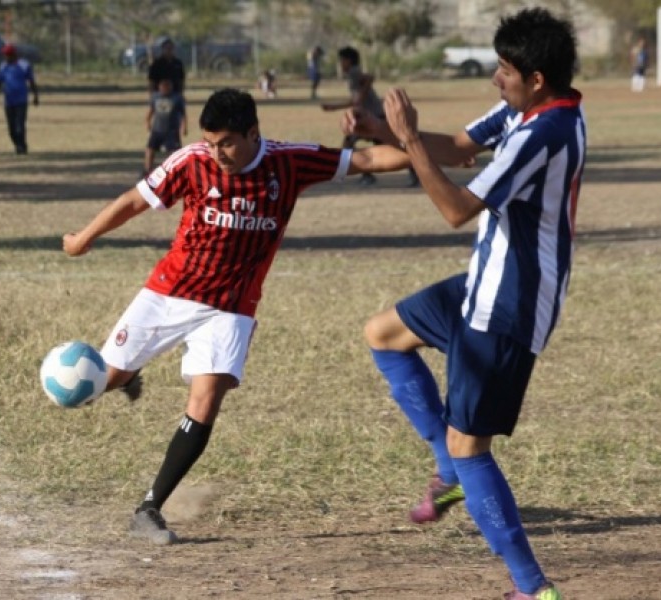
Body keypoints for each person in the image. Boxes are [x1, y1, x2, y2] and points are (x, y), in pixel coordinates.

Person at [61, 87, 411, 546]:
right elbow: (134, 200)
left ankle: (149, 508)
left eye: (226, 142)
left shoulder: (289, 162)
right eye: (210, 142)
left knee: (205, 400)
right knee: (94, 385)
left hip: (231, 306)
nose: (217, 153)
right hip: (169, 293)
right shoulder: (192, 162)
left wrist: (416, 151)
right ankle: (126, 377)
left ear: (253, 133)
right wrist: (85, 237)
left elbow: (367, 162)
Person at [346, 8, 585, 600]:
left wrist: (404, 139)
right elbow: (455, 148)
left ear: (536, 79)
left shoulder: (543, 133)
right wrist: (382, 129)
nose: (495, 78)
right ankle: (447, 474)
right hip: (481, 282)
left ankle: (533, 589)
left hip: (509, 305)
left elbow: (456, 208)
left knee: (469, 442)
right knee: (383, 332)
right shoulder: (528, 108)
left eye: (505, 70)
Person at [323, 46, 418, 187]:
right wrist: (336, 106)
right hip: (371, 116)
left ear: (348, 60)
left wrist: (360, 95)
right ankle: (368, 174)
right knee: (389, 146)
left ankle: (415, 170)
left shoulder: (354, 73)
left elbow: (369, 79)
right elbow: (356, 99)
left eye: (342, 60)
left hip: (374, 117)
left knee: (352, 144)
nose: (341, 63)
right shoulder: (352, 74)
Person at [0, 44, 39, 155]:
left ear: (13, 55)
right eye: (5, 55)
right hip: (9, 101)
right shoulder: (3, 66)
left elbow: (31, 82)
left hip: (21, 101)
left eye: (7, 55)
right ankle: (17, 144)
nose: (5, 57)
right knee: (11, 128)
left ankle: (21, 147)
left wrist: (35, 96)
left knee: (19, 126)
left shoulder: (24, 65)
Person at [143, 78, 186, 174]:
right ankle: (147, 170)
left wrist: (183, 127)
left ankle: (176, 170)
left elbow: (183, 114)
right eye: (163, 86)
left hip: (172, 130)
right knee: (150, 149)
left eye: (167, 86)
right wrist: (147, 122)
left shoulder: (177, 98)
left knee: (174, 152)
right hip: (157, 129)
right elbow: (151, 111)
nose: (165, 88)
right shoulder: (155, 97)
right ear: (159, 87)